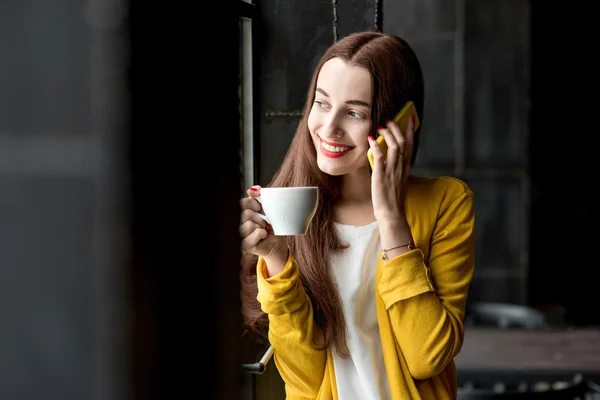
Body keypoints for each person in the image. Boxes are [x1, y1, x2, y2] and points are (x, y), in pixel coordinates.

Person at [239, 30, 475, 400]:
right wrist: (276, 258)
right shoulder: (291, 212)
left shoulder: (446, 202)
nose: (328, 128)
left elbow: (427, 357)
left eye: (354, 112)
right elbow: (303, 377)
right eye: (321, 104)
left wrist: (392, 220)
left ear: (402, 122)